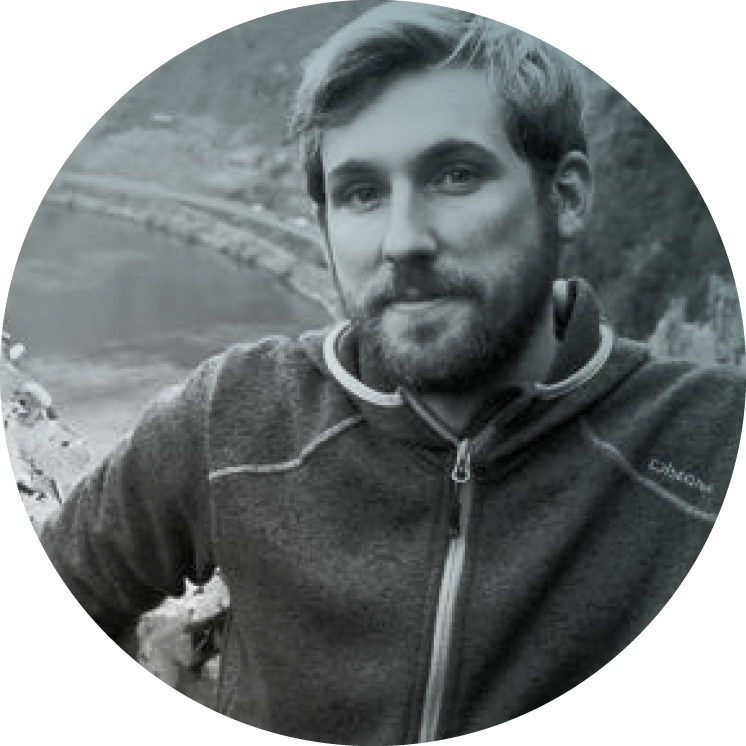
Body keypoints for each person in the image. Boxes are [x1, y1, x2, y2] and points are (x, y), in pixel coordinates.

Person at [38, 3, 744, 744]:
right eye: (362, 193)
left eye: (457, 176)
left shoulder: (707, 452)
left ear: (564, 196)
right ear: (325, 226)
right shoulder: (228, 420)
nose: (403, 240)